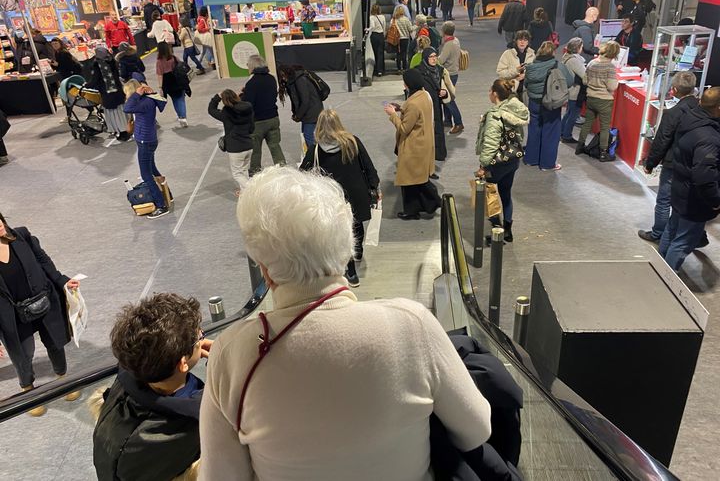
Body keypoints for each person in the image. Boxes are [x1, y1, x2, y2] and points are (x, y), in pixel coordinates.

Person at [199, 165, 491, 479]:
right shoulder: (412, 325)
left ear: (266, 271)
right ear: (346, 251)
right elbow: (476, 429)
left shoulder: (231, 354)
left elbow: (220, 475)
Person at [93, 293, 212, 481]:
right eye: (199, 336)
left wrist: (191, 347)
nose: (202, 338)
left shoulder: (128, 375)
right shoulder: (198, 419)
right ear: (182, 363)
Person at [0, 212, 80, 417]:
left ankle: (63, 379)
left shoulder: (21, 235)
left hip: (44, 301)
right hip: (13, 316)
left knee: (55, 342)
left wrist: (61, 280)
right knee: (23, 355)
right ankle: (28, 391)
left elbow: (42, 260)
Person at [299, 110, 380, 287]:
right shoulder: (353, 142)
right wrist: (374, 185)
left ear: (319, 127)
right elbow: (368, 165)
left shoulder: (316, 151)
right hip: (357, 193)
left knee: (342, 233)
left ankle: (351, 272)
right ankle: (358, 250)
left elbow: (302, 175)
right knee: (356, 224)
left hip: (333, 198)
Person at [659, 88, 720, 271]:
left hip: (681, 189)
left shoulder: (690, 120)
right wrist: (715, 200)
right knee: (684, 241)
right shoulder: (709, 137)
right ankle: (667, 280)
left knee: (672, 230)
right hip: (694, 199)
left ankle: (658, 270)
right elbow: (704, 176)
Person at [639, 72, 700, 243]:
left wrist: (650, 163)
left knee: (664, 200)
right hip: (696, 164)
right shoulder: (702, 108)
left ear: (673, 90)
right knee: (687, 202)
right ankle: (687, 236)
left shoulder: (673, 113)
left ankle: (658, 233)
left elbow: (662, 141)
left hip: (674, 163)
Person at [475, 79, 530, 243]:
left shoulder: (495, 116)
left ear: (495, 94)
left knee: (489, 194)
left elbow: (491, 144)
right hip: (512, 160)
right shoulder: (515, 110)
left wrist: (483, 166)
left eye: (490, 91)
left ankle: (496, 230)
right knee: (506, 193)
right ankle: (507, 231)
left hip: (496, 163)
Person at [384, 69, 442, 219]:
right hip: (424, 143)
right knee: (415, 180)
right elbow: (416, 116)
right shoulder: (424, 95)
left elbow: (404, 128)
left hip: (414, 146)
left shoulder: (413, 103)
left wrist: (393, 115)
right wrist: (401, 108)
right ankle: (415, 209)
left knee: (412, 180)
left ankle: (429, 203)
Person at [123, 76, 170, 219]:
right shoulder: (149, 99)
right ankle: (167, 194)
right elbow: (162, 104)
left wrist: (137, 94)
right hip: (149, 139)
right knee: (152, 168)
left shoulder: (142, 102)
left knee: (146, 175)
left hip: (145, 141)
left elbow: (127, 108)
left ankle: (161, 205)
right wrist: (149, 93)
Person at [524, 41, 574, 171]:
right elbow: (569, 81)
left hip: (534, 103)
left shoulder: (531, 66)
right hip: (550, 103)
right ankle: (547, 164)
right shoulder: (558, 66)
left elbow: (526, 84)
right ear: (553, 52)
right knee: (551, 132)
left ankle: (531, 159)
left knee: (534, 130)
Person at [576, 41, 620, 162]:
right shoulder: (610, 67)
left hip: (591, 98)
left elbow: (585, 80)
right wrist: (616, 81)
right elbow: (611, 86)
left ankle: (580, 146)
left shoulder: (592, 62)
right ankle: (603, 153)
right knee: (605, 127)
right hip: (604, 100)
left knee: (587, 123)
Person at [243, 55, 286, 175]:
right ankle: (283, 170)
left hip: (257, 122)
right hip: (273, 118)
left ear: (252, 66)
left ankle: (254, 174)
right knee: (275, 146)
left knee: (256, 151)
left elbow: (248, 104)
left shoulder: (251, 83)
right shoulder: (272, 79)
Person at [208, 90, 255, 196]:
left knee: (237, 173)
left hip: (235, 148)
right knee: (244, 170)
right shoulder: (248, 108)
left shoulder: (227, 113)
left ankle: (252, 190)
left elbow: (211, 110)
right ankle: (244, 192)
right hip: (248, 145)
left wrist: (217, 97)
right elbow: (252, 128)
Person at [89, 46, 131, 142]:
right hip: (118, 93)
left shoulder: (97, 65)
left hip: (108, 95)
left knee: (113, 114)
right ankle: (126, 129)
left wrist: (86, 85)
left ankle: (121, 131)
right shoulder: (112, 61)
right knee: (121, 112)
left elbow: (95, 80)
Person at [417, 48, 451, 163]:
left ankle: (439, 153)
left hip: (437, 104)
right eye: (431, 57)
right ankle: (427, 154)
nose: (434, 59)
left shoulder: (440, 70)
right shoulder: (419, 71)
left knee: (438, 128)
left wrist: (444, 93)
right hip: (424, 105)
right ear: (426, 58)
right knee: (425, 130)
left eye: (435, 56)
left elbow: (447, 88)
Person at [278, 65, 323, 147]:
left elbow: (305, 101)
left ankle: (313, 157)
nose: (283, 78)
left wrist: (298, 116)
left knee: (308, 137)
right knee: (306, 135)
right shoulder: (293, 81)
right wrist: (296, 113)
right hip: (308, 113)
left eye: (283, 76)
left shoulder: (300, 80)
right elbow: (296, 100)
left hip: (312, 112)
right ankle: (312, 155)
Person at [156, 41, 191, 128]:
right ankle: (183, 117)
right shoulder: (173, 58)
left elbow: (159, 75)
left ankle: (180, 116)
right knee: (181, 99)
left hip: (167, 83)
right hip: (177, 79)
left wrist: (160, 87)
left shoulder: (159, 62)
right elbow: (181, 66)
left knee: (175, 100)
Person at [438, 21, 464, 134]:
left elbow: (441, 60)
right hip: (454, 72)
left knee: (449, 100)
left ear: (444, 31)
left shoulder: (449, 44)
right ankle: (448, 120)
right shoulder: (456, 40)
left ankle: (459, 123)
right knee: (446, 99)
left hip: (449, 74)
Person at [560, 37, 587, 144]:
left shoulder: (566, 57)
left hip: (570, 90)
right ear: (578, 48)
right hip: (575, 91)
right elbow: (585, 76)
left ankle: (561, 132)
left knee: (569, 113)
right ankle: (567, 135)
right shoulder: (574, 61)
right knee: (573, 114)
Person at [496, 30, 536, 102]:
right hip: (511, 92)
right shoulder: (508, 54)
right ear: (516, 41)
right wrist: (516, 71)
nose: (522, 42)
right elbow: (500, 73)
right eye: (520, 40)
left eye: (525, 40)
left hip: (527, 92)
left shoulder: (532, 55)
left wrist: (525, 75)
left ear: (528, 42)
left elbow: (535, 72)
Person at [392, 5, 413, 72]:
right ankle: (404, 68)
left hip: (396, 39)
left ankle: (398, 68)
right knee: (404, 53)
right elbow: (410, 29)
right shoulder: (406, 19)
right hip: (405, 38)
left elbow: (390, 27)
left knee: (398, 53)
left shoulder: (394, 19)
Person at [368, 4, 386, 77]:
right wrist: (383, 34)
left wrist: (368, 29)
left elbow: (372, 26)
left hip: (374, 36)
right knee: (381, 53)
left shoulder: (372, 17)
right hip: (381, 35)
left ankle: (377, 70)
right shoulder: (382, 17)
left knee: (375, 53)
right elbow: (384, 27)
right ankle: (381, 70)